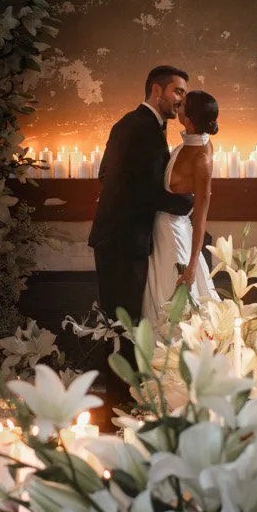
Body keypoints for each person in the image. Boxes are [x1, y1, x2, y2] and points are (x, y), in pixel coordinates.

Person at [89, 66, 194, 330]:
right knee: (123, 323)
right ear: (157, 90)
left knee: (122, 321)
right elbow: (144, 190)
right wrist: (188, 203)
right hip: (122, 241)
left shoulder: (133, 123)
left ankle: (120, 369)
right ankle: (118, 371)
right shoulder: (141, 128)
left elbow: (105, 174)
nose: (181, 99)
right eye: (177, 91)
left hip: (119, 239)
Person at [146, 90, 222, 317]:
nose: (178, 103)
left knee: (174, 305)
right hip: (160, 230)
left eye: (182, 104)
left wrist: (191, 267)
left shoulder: (202, 159)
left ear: (188, 119)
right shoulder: (192, 140)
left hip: (173, 233)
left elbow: (201, 216)